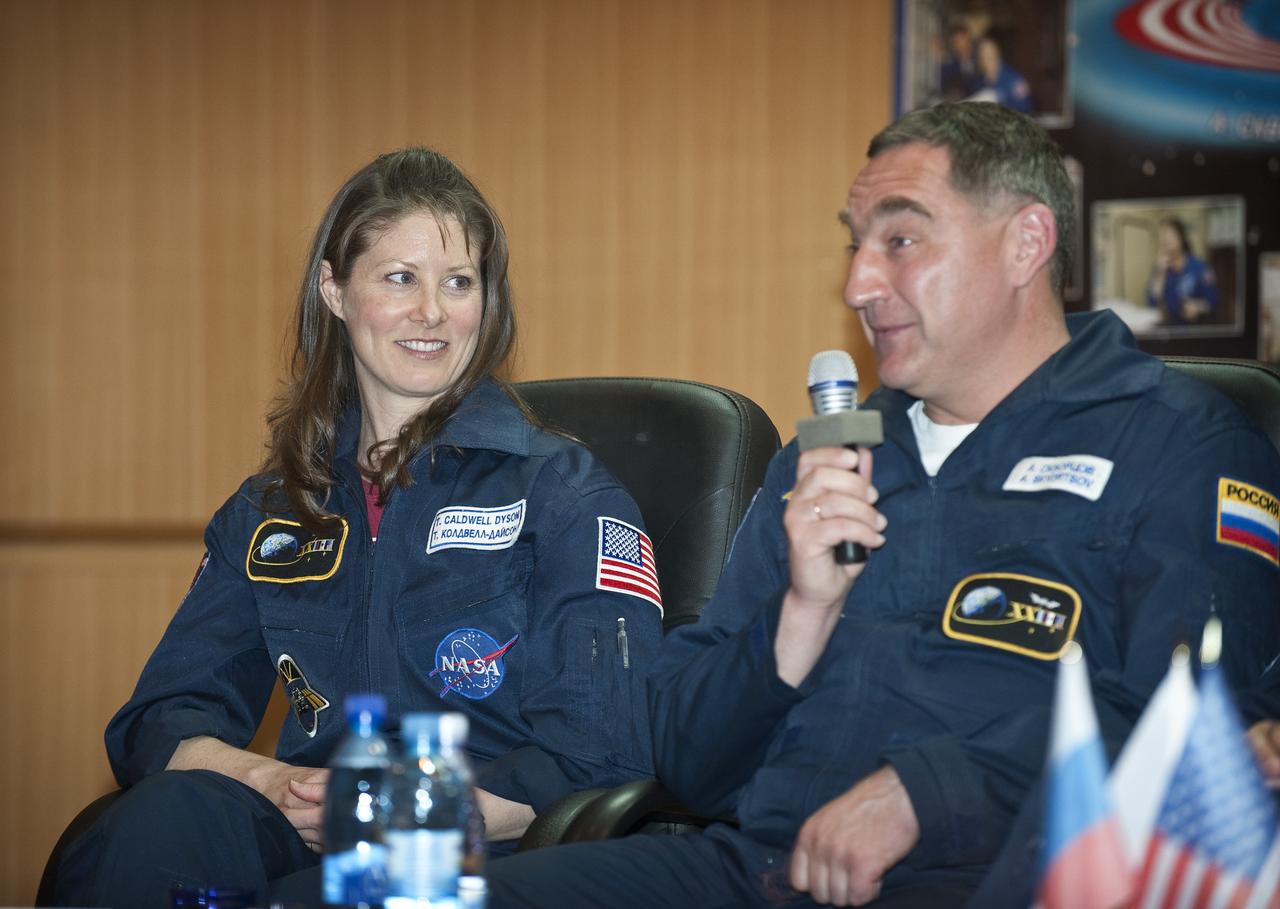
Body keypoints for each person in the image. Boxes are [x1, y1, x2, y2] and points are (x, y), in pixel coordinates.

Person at [483, 101, 1280, 908]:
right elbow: (688, 762)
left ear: (1026, 243)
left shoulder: (1181, 442)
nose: (859, 284)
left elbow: (1197, 727)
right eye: (855, 246)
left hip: (1003, 881)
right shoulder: (827, 459)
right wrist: (798, 616)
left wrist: (923, 794)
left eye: (900, 240)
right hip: (758, 868)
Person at [54, 147, 663, 907]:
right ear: (335, 290)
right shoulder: (270, 510)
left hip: (482, 851)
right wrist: (272, 781)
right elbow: (160, 722)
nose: (431, 311)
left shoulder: (565, 494)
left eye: (459, 282)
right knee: (158, 825)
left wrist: (403, 811)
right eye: (400, 278)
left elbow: (606, 755)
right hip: (305, 834)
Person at [1145, 216, 1220, 325]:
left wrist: (1198, 307)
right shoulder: (1159, 267)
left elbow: (1214, 301)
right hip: (1171, 327)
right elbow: (1151, 304)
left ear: (1182, 238)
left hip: (1197, 328)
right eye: (1163, 236)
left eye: (1170, 235)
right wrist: (1160, 273)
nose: (1166, 240)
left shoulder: (1200, 267)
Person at [971, 35, 1032, 114]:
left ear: (997, 54)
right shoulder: (978, 81)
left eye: (990, 54)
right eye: (983, 54)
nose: (987, 57)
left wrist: (1000, 102)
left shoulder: (1013, 79)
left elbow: (1026, 108)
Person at [938, 23, 979, 101]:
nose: (959, 45)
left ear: (969, 39)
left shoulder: (980, 58)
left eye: (961, 40)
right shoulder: (951, 65)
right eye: (955, 42)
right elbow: (942, 83)